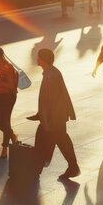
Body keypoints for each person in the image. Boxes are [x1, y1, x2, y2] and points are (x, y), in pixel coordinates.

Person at [32, 48, 80, 180]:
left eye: (38, 57)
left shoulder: (51, 76)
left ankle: (39, 167)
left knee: (60, 140)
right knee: (60, 140)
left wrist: (48, 120)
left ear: (43, 60)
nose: (36, 59)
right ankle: (39, 167)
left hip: (54, 118)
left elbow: (53, 100)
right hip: (54, 117)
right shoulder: (51, 72)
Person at [0, 47, 18, 159]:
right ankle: (12, 135)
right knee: (0, 123)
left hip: (7, 97)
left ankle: (5, 148)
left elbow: (10, 86)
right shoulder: (0, 65)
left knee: (5, 123)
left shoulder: (7, 66)